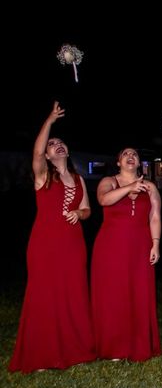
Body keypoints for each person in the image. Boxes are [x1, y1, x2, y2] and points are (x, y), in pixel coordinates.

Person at [9, 101, 95, 373]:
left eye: (60, 142)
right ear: (46, 155)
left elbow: (88, 209)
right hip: (45, 244)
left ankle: (75, 350)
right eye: (52, 144)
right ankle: (42, 354)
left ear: (67, 150)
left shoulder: (80, 179)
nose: (56, 145)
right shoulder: (43, 176)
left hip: (73, 244)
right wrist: (50, 121)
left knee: (73, 294)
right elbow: (35, 150)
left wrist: (80, 215)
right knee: (44, 295)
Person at [91, 147, 161, 361]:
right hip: (111, 246)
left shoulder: (150, 187)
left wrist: (155, 244)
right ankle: (113, 347)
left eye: (135, 155)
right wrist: (130, 186)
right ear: (119, 162)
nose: (130, 157)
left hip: (140, 245)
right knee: (113, 295)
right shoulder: (109, 181)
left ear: (139, 162)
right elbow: (104, 199)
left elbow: (155, 217)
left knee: (138, 292)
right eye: (125, 154)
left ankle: (138, 343)